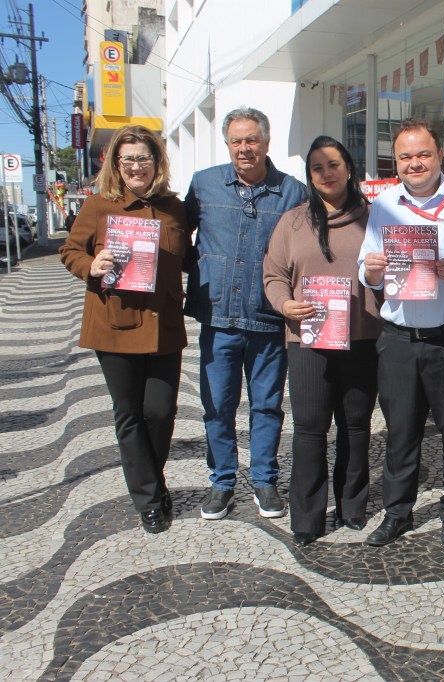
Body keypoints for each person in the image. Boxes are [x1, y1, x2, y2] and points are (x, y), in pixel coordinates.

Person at [357, 117, 444, 549]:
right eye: (405, 156)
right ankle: (397, 512)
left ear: (440, 155)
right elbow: (365, 268)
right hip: (398, 339)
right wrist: (372, 271)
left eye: (423, 154)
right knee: (400, 432)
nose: (415, 163)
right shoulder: (383, 204)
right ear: (395, 162)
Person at [59, 125, 188, 534]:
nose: (136, 166)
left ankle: (152, 481)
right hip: (115, 322)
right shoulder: (99, 205)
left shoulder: (174, 208)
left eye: (143, 158)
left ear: (157, 162)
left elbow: (190, 255)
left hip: (164, 325)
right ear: (116, 163)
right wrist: (91, 265)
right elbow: (70, 250)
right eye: (128, 159)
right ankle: (149, 498)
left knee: (161, 411)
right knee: (129, 413)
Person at [184, 107, 306, 521]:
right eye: (236, 140)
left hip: (267, 318)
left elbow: (307, 250)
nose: (244, 148)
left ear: (266, 142)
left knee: (267, 406)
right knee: (217, 406)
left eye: (252, 139)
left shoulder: (292, 192)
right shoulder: (204, 184)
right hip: (218, 318)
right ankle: (221, 483)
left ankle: (265, 480)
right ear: (227, 144)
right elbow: (176, 235)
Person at [263, 136, 382, 546]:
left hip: (363, 336)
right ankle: (307, 517)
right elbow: (274, 273)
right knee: (310, 429)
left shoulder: (375, 218)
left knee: (356, 426)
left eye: (333, 164)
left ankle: (352, 506)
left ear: (349, 168)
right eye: (317, 167)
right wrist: (284, 304)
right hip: (308, 340)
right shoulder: (294, 222)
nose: (326, 173)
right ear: (309, 176)